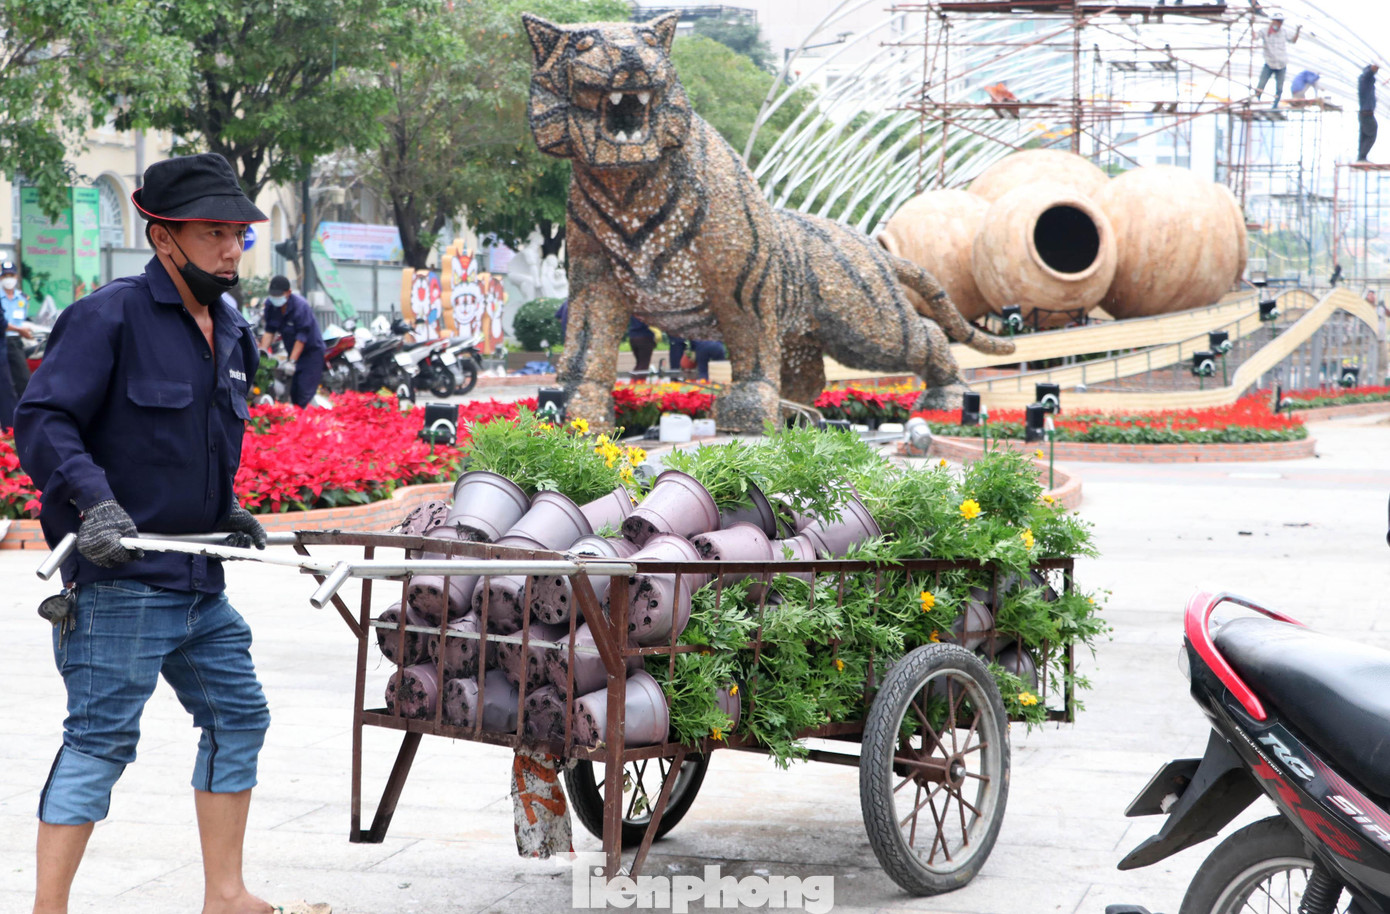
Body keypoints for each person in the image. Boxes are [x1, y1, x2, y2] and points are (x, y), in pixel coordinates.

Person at [14, 152, 275, 914]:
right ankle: (48, 909)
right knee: (100, 741)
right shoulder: (109, 316)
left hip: (199, 585)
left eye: (240, 235)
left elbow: (198, 441)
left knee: (239, 716)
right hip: (121, 585)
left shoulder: (230, 328)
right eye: (215, 233)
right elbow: (45, 419)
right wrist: (92, 503)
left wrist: (219, 508)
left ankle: (224, 894)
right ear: (164, 238)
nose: (232, 250)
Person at [259, 274, 325, 407]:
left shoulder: (301, 306)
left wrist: (292, 362)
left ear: (288, 293)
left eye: (279, 295)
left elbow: (302, 337)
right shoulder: (271, 305)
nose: (276, 298)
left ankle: (306, 422)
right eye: (273, 295)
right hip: (292, 351)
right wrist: (261, 353)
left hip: (311, 353)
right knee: (293, 392)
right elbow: (269, 331)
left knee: (303, 392)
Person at [1253, 15, 1299, 109]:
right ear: (1273, 21)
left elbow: (1293, 40)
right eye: (1277, 21)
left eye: (1280, 22)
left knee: (1279, 88)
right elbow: (1255, 37)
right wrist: (1252, 26)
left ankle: (1275, 106)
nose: (1278, 24)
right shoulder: (1265, 31)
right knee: (1261, 84)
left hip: (1281, 64)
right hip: (1269, 63)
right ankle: (1256, 101)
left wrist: (1298, 31)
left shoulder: (1284, 32)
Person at [0, 261, 22, 429]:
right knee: (6, 389)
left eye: (11, 275)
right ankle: (10, 430)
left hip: (14, 343)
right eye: (5, 275)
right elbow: (2, 323)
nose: (8, 279)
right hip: (5, 341)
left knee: (19, 383)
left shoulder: (22, 298)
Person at [1359, 63, 1380, 163]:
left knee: (1365, 135)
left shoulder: (1365, 82)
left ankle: (1361, 157)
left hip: (1365, 114)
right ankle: (1362, 157)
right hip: (1367, 114)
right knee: (1371, 133)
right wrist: (1374, 67)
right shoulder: (1365, 79)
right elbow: (1369, 73)